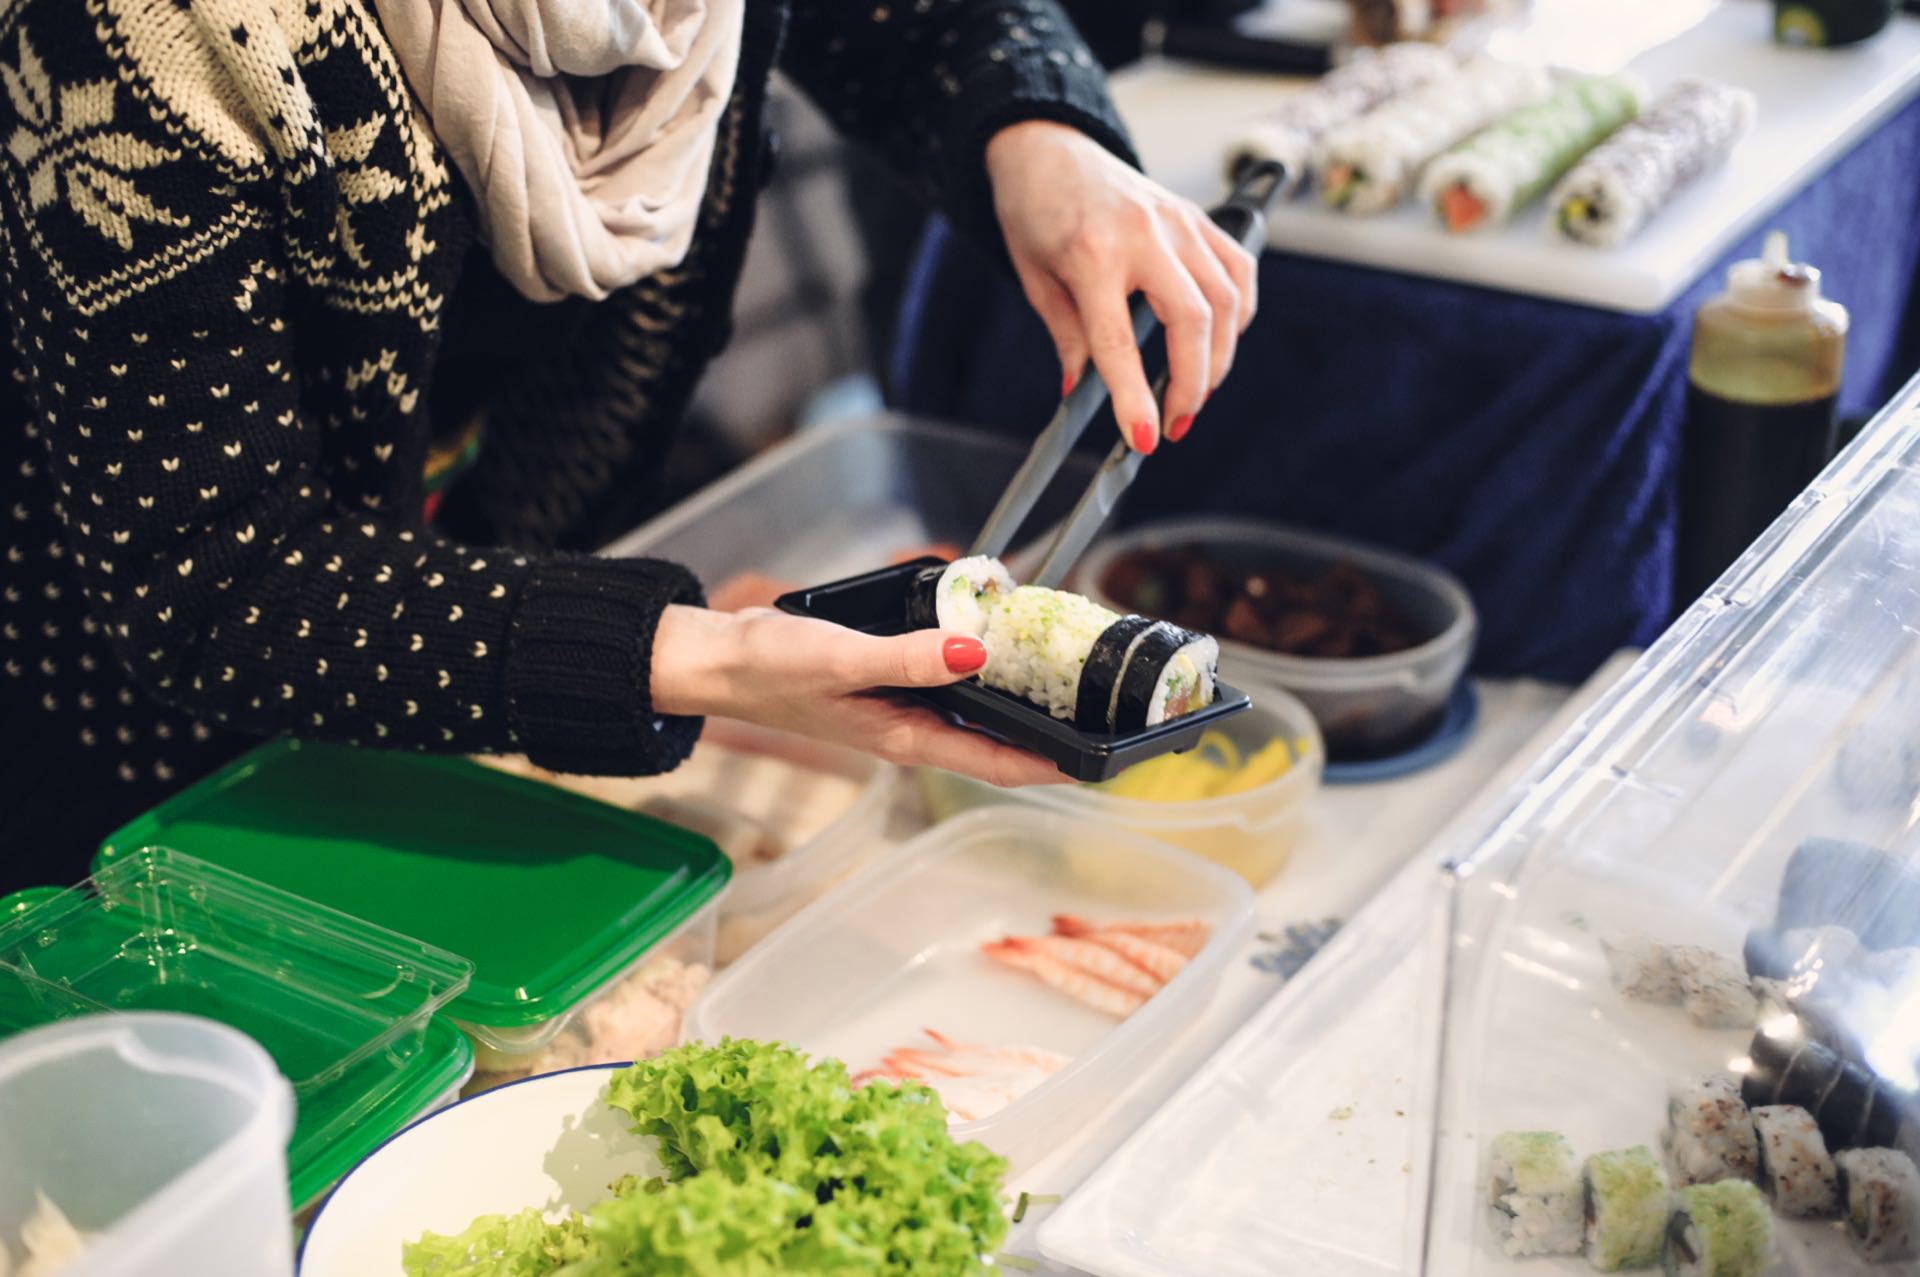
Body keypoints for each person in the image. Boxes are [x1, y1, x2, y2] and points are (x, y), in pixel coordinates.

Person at [0, 0, 1255, 888]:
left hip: (475, 603)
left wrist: (1042, 137)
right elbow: (220, 581)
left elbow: (915, 22)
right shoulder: (143, 30)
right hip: (142, 753)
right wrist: (702, 655)